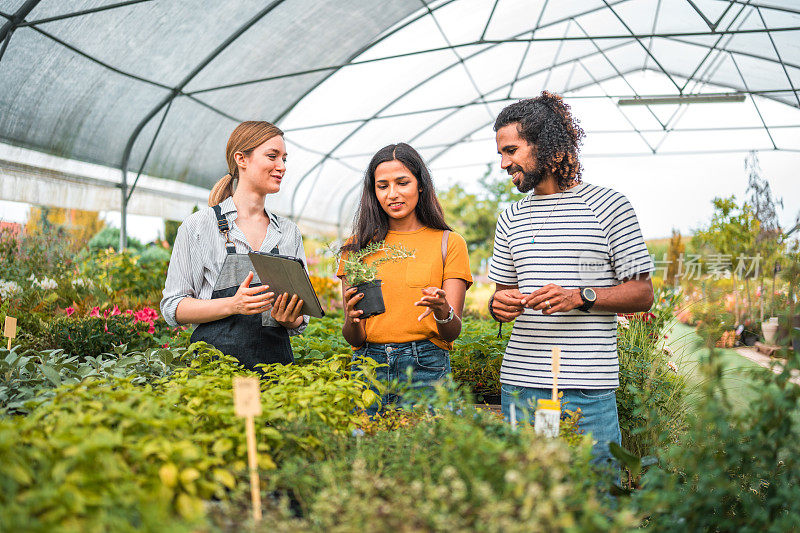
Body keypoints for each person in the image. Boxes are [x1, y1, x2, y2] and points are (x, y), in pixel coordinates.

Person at [488, 92, 655, 467]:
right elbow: (502, 297)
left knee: (597, 499)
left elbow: (643, 294)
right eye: (500, 153)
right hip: (521, 385)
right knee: (529, 500)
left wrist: (580, 296)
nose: (503, 163)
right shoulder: (510, 217)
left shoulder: (609, 206)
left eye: (511, 150)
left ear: (546, 144)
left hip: (586, 388)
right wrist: (499, 306)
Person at [160, 121, 307, 372]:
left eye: (284, 158)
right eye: (272, 156)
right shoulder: (198, 227)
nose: (281, 166)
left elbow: (301, 316)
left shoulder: (288, 232)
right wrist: (232, 305)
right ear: (242, 159)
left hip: (278, 375)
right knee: (241, 411)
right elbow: (173, 306)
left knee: (272, 413)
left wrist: (291, 319)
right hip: (218, 373)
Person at [338, 143, 472, 412]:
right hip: (368, 369)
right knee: (367, 451)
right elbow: (354, 338)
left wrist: (442, 309)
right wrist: (352, 320)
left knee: (424, 452)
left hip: (426, 368)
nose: (393, 194)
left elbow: (452, 331)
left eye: (402, 183)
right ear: (373, 192)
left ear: (420, 185)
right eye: (383, 186)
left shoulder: (449, 243)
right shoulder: (355, 248)